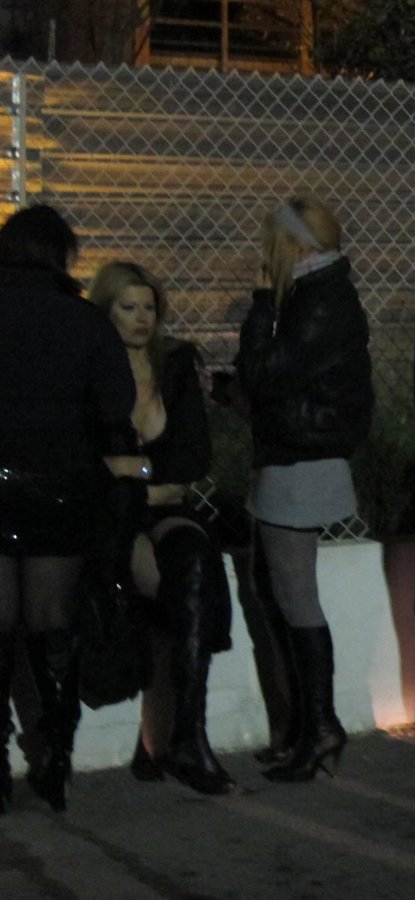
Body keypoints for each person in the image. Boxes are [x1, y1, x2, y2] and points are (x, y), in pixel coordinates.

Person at [0, 206, 136, 811]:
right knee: (51, 621)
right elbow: (116, 406)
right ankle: (55, 752)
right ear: (62, 256)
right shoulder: (84, 322)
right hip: (59, 485)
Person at [235, 193, 373, 781]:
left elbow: (264, 375)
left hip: (300, 460)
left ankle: (319, 726)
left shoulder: (317, 301)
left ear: (293, 246)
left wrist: (261, 302)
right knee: (277, 591)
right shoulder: (323, 295)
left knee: (293, 596)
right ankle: (305, 724)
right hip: (297, 453)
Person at [89, 261, 235, 793]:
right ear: (105, 312)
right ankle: (164, 736)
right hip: (114, 514)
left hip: (161, 506)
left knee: (194, 556)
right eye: (128, 308)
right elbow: (89, 463)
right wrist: (150, 477)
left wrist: (137, 471)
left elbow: (193, 458)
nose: (142, 318)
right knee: (163, 586)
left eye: (149, 307)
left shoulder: (174, 365)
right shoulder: (90, 368)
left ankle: (188, 735)